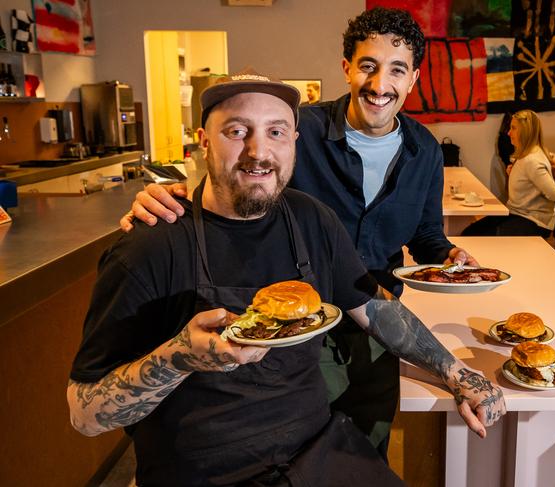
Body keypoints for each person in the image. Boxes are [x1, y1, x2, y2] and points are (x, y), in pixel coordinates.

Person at [67, 70, 505, 487]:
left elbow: (375, 309)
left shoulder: (311, 219)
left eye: (276, 131)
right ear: (203, 142)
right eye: (236, 131)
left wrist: (456, 371)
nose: (259, 152)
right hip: (203, 473)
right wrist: (180, 356)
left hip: (315, 453)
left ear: (294, 141)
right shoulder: (150, 247)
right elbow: (85, 415)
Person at [120, 7, 478, 455]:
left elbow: (425, 233)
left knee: (366, 448)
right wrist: (173, 195)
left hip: (378, 321)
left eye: (396, 70)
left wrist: (448, 255)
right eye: (368, 65)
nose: (379, 84)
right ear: (347, 68)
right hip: (298, 324)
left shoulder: (424, 149)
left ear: (414, 79)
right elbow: (241, 176)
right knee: (295, 445)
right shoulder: (296, 129)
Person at [462, 109, 555, 237]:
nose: (509, 133)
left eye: (513, 128)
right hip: (517, 214)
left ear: (525, 132)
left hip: (534, 222)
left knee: (474, 237)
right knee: (470, 233)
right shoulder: (525, 156)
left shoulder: (532, 161)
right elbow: (529, 184)